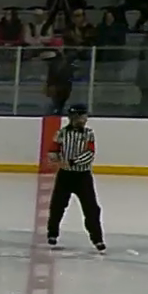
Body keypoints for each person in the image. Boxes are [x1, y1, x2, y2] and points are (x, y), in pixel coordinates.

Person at [46, 105, 104, 252]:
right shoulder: (61, 133)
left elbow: (90, 154)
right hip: (65, 176)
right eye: (82, 117)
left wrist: (72, 161)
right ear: (74, 118)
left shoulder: (88, 134)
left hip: (82, 176)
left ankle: (97, 238)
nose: (84, 120)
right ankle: (52, 233)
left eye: (85, 117)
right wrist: (55, 158)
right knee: (57, 206)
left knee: (91, 208)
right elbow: (53, 150)